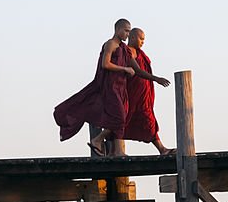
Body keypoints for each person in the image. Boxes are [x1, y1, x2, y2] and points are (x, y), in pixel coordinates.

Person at [53, 19, 136, 156]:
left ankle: (117, 151)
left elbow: (136, 68)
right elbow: (106, 64)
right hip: (110, 87)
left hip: (120, 88)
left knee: (121, 117)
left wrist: (154, 78)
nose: (128, 34)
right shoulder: (111, 44)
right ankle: (97, 140)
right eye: (126, 30)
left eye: (129, 31)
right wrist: (125, 69)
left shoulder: (124, 49)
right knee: (119, 117)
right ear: (117, 29)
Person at [124, 27, 173, 155]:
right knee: (125, 119)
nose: (143, 42)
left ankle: (162, 149)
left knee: (148, 120)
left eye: (144, 39)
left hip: (143, 95)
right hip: (133, 94)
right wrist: (156, 79)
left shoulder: (140, 53)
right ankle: (111, 148)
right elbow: (138, 71)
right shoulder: (127, 51)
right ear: (133, 37)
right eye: (141, 38)